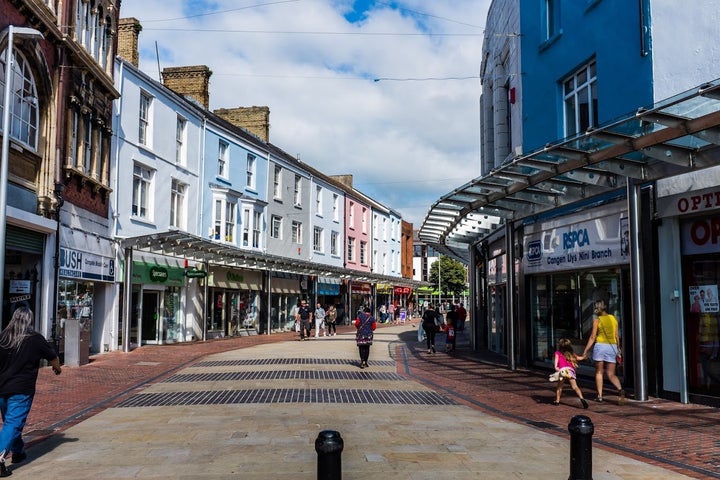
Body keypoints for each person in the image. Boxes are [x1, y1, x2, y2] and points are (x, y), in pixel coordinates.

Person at [0, 307, 61, 476]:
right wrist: (58, 368)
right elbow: (53, 357)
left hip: (2, 388)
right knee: (13, 423)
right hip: (21, 389)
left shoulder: (3, 337)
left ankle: (18, 452)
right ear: (30, 320)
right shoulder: (35, 339)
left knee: (10, 422)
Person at [582, 298, 625, 404]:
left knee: (599, 372)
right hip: (612, 347)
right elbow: (616, 335)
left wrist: (586, 350)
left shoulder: (597, 320)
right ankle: (620, 390)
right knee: (611, 373)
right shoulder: (613, 319)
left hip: (600, 346)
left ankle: (600, 396)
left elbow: (592, 337)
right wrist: (618, 348)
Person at [551, 338, 588, 408]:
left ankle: (557, 401)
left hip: (563, 371)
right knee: (575, 387)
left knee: (559, 386)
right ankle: (582, 398)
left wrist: (557, 369)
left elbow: (556, 366)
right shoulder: (571, 353)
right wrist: (584, 357)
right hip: (570, 371)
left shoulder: (557, 353)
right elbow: (579, 358)